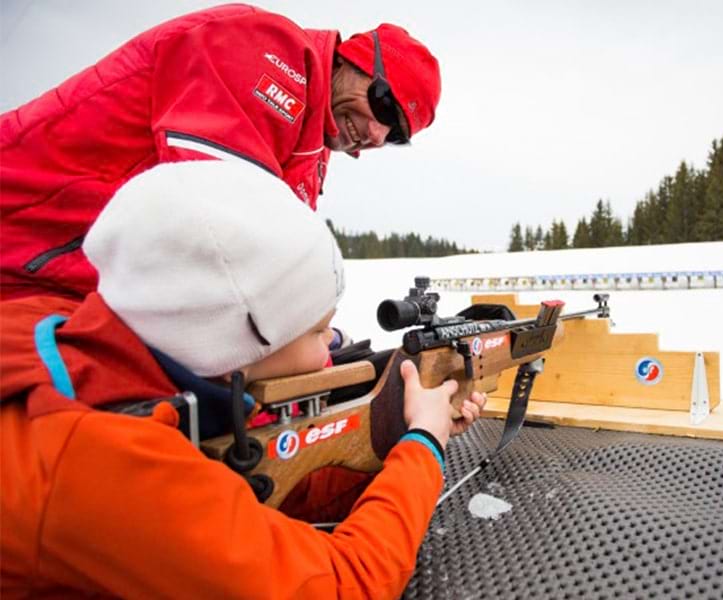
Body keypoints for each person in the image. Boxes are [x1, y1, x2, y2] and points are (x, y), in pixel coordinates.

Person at [0, 160, 485, 598]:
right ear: (234, 338)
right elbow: (342, 585)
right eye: (319, 331)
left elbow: (263, 500)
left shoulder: (69, 331)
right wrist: (424, 444)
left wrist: (391, 433)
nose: (326, 355)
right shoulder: (99, 454)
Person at [0, 4, 441, 301]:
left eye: (397, 134)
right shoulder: (271, 52)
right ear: (350, 59)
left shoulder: (311, 149)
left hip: (74, 290)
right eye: (384, 105)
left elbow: (271, 270)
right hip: (21, 241)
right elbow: (212, 233)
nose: (378, 135)